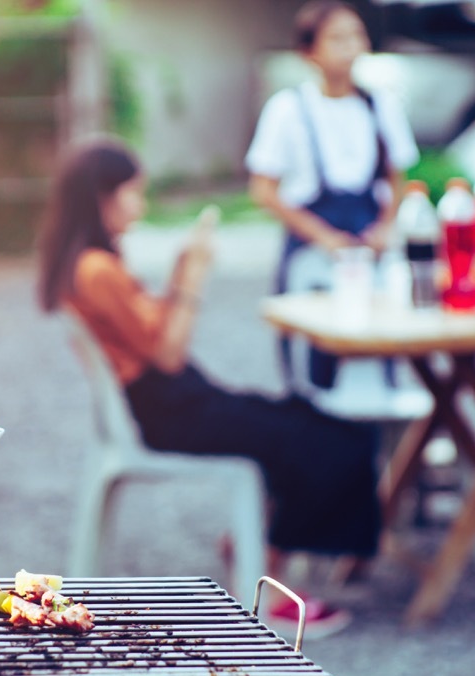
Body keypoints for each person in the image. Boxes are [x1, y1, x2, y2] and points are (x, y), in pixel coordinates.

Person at [37, 138, 382, 637]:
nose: (142, 204)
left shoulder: (92, 263)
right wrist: (192, 278)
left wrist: (177, 275)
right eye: (134, 193)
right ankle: (267, 582)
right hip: (166, 412)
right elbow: (168, 353)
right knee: (314, 436)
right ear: (102, 197)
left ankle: (258, 550)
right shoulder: (95, 270)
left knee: (303, 418)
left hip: (175, 400)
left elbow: (150, 329)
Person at [246, 0, 419, 396]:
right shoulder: (288, 110)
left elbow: (397, 178)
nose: (351, 46)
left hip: (367, 240)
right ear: (309, 52)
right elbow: (264, 190)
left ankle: (383, 440)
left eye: (356, 36)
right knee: (314, 349)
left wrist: (385, 226)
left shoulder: (380, 105)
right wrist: (322, 236)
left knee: (380, 340)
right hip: (313, 245)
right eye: (337, 38)